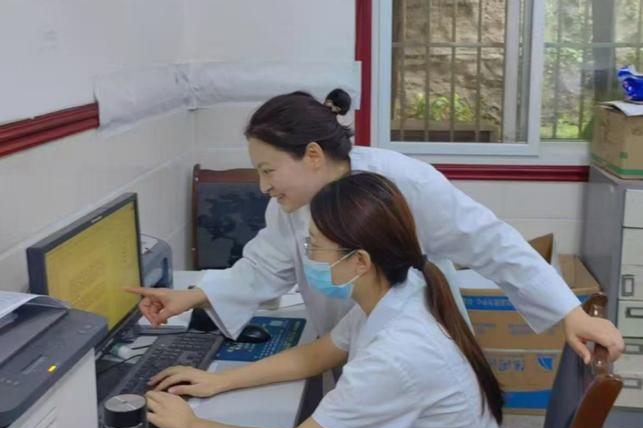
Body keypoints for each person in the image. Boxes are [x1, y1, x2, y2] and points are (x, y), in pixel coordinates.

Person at [129, 88, 623, 363]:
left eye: (267, 170)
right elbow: (263, 265)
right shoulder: (290, 205)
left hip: (417, 346)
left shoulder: (404, 183)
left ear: (313, 155)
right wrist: (192, 296)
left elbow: (491, 242)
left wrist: (567, 312)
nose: (263, 186)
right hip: (348, 342)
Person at [145, 172, 512, 428]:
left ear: (360, 261)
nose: (309, 257)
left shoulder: (398, 353)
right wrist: (220, 381)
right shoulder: (399, 290)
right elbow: (318, 353)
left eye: (315, 246)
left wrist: (191, 426)